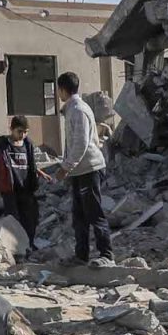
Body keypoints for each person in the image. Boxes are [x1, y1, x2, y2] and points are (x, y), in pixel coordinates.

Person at [54, 71, 111, 264]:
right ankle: (81, 256)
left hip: (89, 169)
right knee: (79, 216)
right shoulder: (72, 109)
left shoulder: (78, 110)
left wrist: (66, 167)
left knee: (94, 213)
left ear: (62, 90)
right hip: (80, 171)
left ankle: (106, 255)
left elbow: (81, 143)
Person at [0, 113, 42, 244]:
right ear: (11, 129)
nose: (22, 135)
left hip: (26, 188)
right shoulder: (2, 145)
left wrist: (39, 172)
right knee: (13, 220)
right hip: (9, 189)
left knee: (30, 219)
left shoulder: (28, 145)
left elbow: (29, 164)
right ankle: (15, 246)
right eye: (19, 131)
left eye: (25, 132)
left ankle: (28, 245)